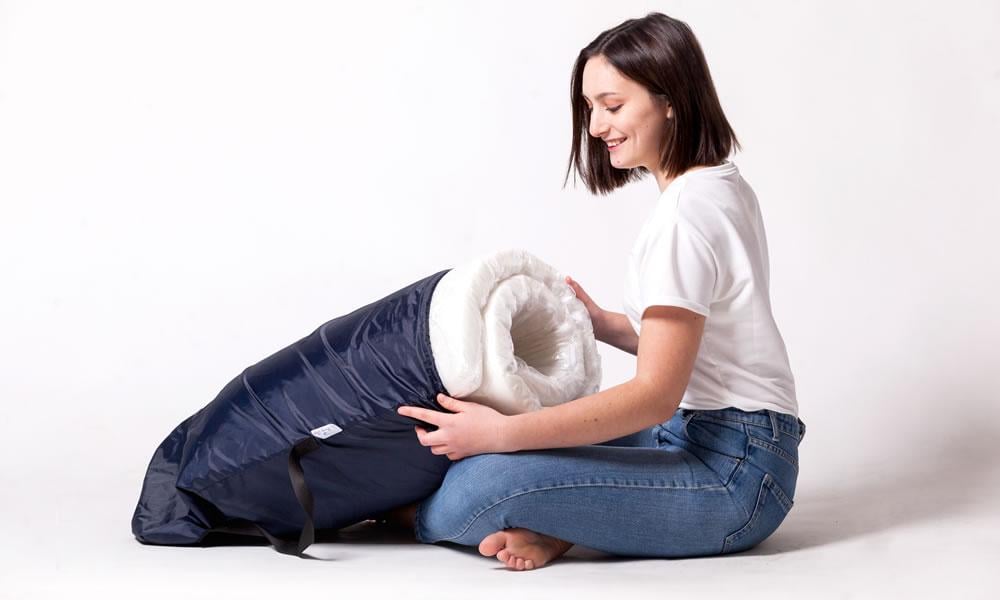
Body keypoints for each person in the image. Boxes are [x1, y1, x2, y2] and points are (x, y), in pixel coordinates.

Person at [388, 11, 806, 571]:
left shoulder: (685, 215)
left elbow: (655, 393)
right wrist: (609, 325)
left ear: (671, 99)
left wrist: (502, 434)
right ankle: (567, 523)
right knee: (541, 441)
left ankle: (394, 516)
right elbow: (703, 344)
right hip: (707, 434)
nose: (594, 127)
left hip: (737, 478)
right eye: (590, 109)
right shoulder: (718, 186)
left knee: (486, 474)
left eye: (612, 106)